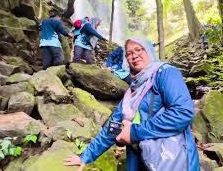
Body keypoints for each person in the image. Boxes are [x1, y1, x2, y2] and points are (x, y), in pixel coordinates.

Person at [64, 37, 199, 171]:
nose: (134, 55)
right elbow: (113, 127)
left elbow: (183, 113)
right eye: (129, 53)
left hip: (172, 158)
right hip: (140, 161)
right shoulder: (132, 91)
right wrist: (85, 156)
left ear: (149, 51)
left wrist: (134, 132)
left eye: (138, 49)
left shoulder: (165, 73)